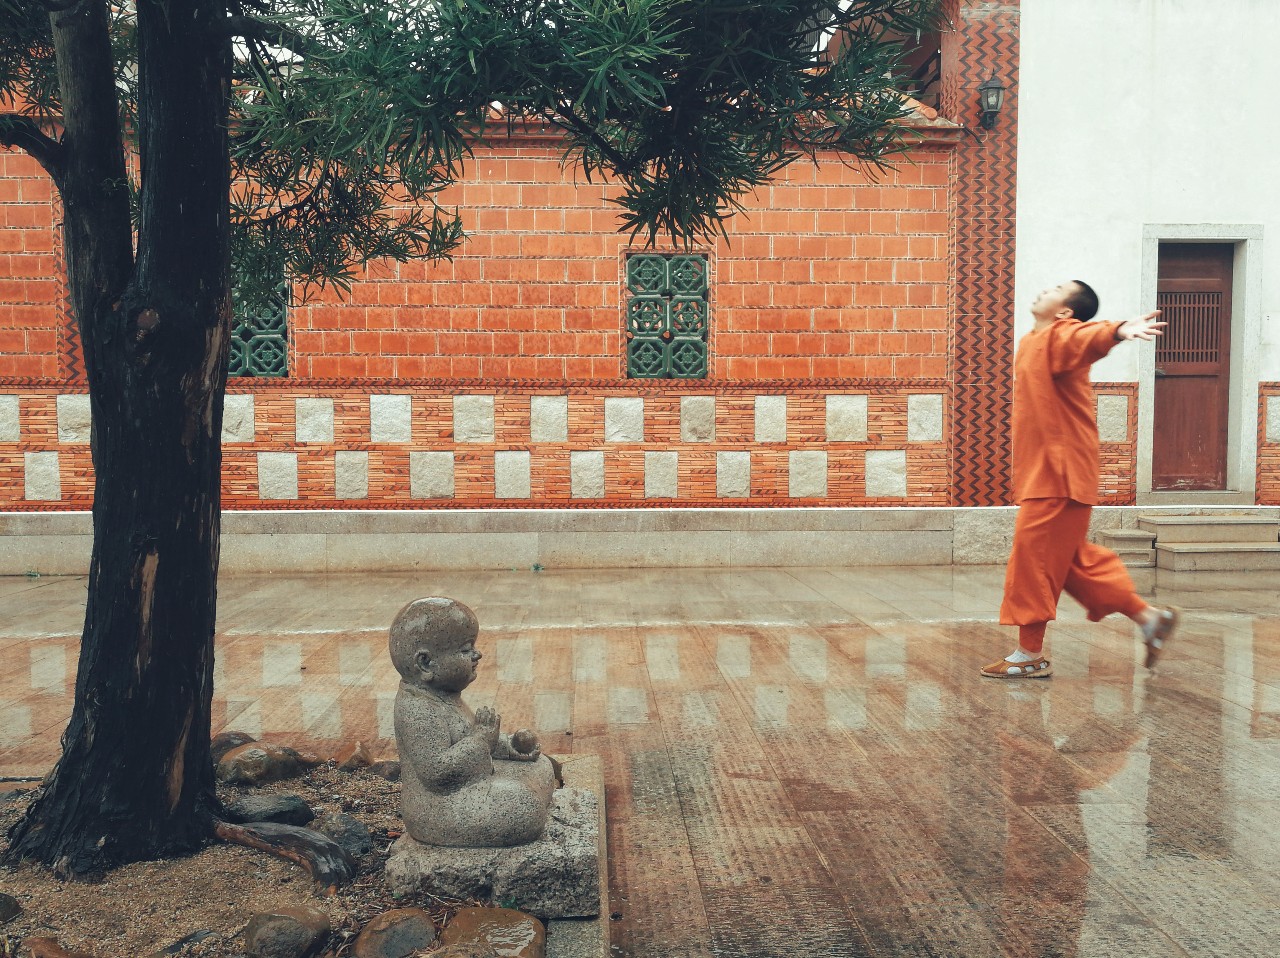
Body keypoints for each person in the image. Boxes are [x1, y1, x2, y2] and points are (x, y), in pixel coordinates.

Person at [982, 280, 1179, 678]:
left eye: (1056, 288)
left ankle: (1029, 655)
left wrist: (1119, 329)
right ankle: (1148, 619)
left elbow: (1086, 337)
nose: (1043, 289)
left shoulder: (1060, 335)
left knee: (1032, 560)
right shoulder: (1032, 340)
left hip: (1058, 475)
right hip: (1052, 472)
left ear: (1065, 312)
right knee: (1073, 563)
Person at [390, 596, 557, 846]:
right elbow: (437, 773)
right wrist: (482, 739)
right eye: (466, 649)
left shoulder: (444, 695)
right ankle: (530, 805)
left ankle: (529, 798)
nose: (477, 654)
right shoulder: (417, 709)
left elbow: (468, 738)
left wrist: (509, 746)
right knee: (523, 806)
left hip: (473, 783)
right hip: (440, 807)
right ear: (426, 663)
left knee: (541, 766)